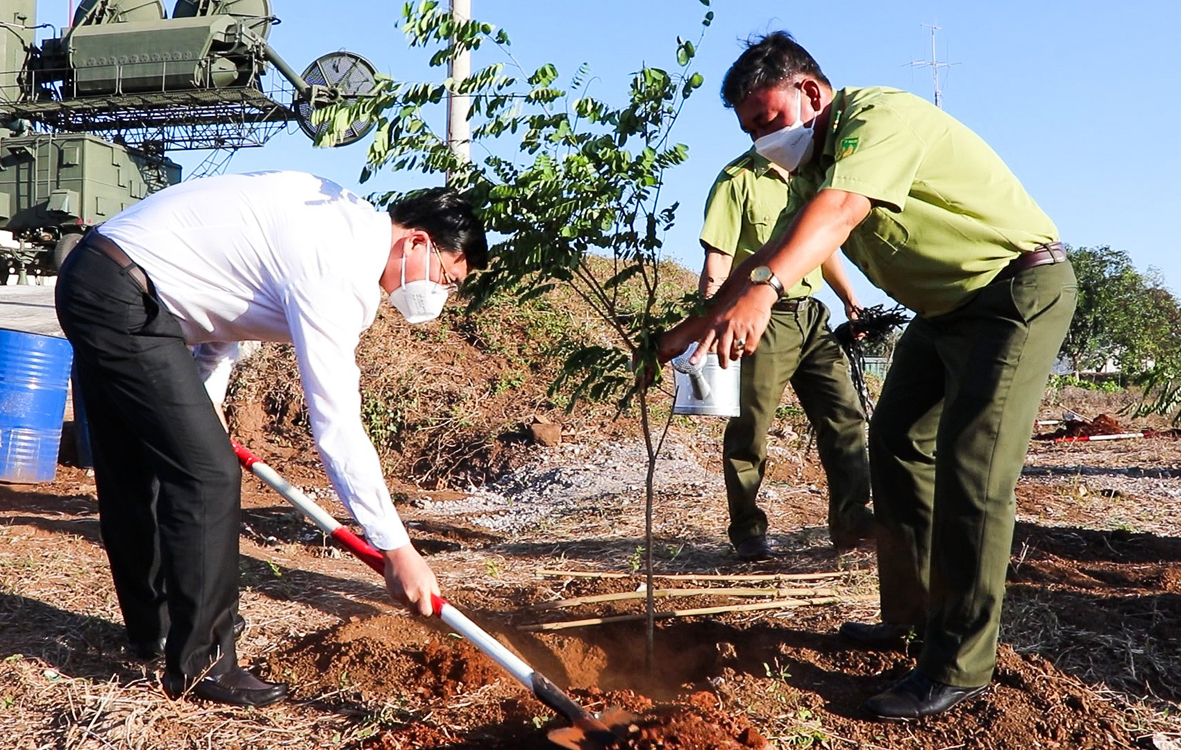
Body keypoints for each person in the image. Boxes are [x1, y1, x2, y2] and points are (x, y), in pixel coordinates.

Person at [659, 33, 1076, 719]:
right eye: (748, 131)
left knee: (971, 473)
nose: (762, 141)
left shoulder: (878, 118)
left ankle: (959, 664)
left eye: (767, 120)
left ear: (810, 93)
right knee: (894, 442)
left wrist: (764, 292)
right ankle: (908, 618)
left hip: (1013, 294)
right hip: (945, 310)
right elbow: (769, 248)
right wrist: (688, 329)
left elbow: (839, 214)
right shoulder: (812, 167)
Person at [55, 171, 488, 708]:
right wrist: (396, 547)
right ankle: (203, 662)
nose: (439, 295)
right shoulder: (339, 263)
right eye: (446, 277)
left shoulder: (336, 219)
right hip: (126, 294)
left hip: (102, 278)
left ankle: (156, 631)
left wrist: (202, 405)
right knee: (208, 475)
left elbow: (219, 321)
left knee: (137, 469)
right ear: (417, 240)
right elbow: (336, 423)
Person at [698, 148, 873, 559]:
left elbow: (821, 245)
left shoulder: (810, 176)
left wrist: (849, 298)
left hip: (813, 317)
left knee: (845, 416)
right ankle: (747, 530)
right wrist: (710, 316)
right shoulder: (737, 179)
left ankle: (852, 521)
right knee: (751, 427)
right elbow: (719, 258)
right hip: (764, 319)